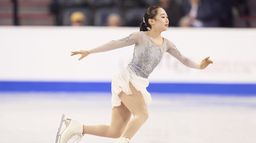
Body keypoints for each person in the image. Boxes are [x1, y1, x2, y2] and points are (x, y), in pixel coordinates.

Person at [55, 5, 213, 143]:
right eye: (163, 16)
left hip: (140, 83)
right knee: (143, 115)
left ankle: (77, 127)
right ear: (151, 21)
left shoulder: (167, 44)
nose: (167, 19)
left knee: (114, 131)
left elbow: (184, 59)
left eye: (167, 16)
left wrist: (200, 66)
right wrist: (90, 51)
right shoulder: (140, 36)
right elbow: (115, 43)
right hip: (127, 79)